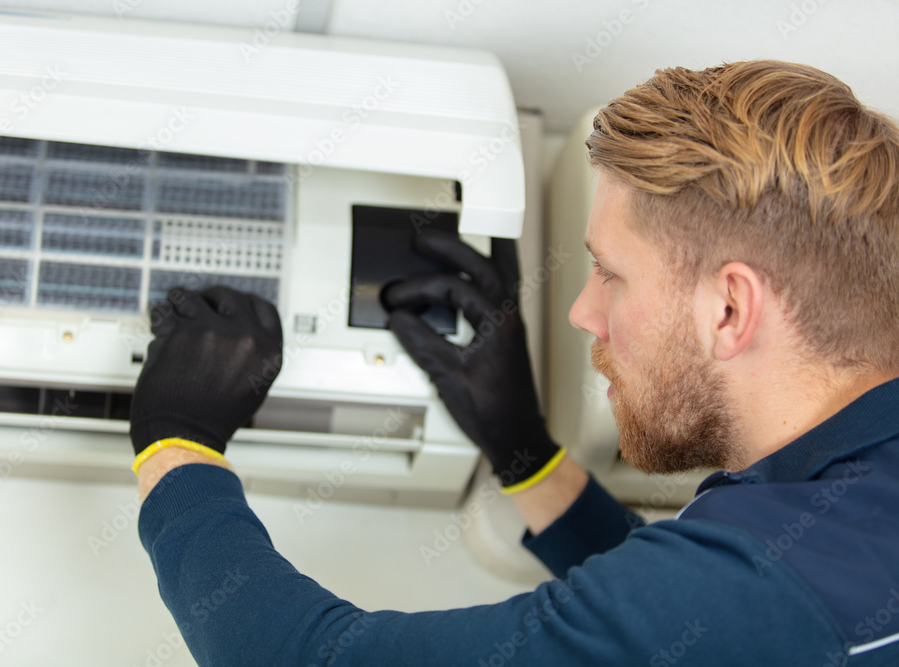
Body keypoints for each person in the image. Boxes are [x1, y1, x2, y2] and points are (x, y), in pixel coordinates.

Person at [130, 60, 899, 666]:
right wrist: (524, 450)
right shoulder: (840, 525)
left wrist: (177, 443)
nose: (582, 312)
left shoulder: (768, 582)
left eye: (612, 273)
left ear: (728, 309)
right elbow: (692, 620)